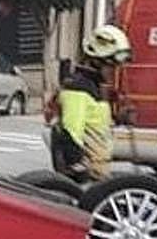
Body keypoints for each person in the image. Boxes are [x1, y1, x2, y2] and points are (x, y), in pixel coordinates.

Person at [48, 25, 132, 183]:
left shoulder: (93, 87)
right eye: (110, 65)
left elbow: (94, 124)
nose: (114, 70)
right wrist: (80, 175)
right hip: (87, 178)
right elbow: (71, 133)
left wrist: (118, 118)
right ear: (96, 61)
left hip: (98, 173)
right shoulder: (78, 88)